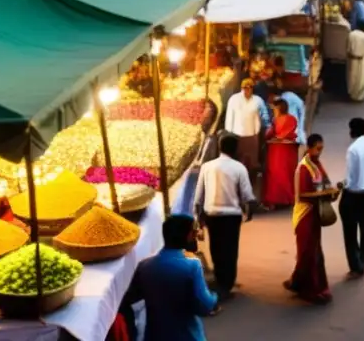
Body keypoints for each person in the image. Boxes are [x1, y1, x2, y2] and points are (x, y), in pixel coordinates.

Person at [128, 215, 218, 340]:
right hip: (186, 335)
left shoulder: (144, 266)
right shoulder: (192, 265)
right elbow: (204, 305)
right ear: (187, 236)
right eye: (193, 232)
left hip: (155, 335)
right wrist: (214, 298)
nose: (195, 235)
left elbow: (133, 298)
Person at [193, 134, 254, 300]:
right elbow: (247, 194)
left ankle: (220, 281)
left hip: (212, 214)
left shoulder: (207, 166)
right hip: (231, 216)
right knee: (230, 249)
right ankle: (227, 284)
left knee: (216, 247)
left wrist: (198, 215)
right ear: (234, 149)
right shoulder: (239, 167)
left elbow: (199, 194)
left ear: (220, 147)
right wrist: (249, 210)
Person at [285, 134, 335, 304]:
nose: (320, 152)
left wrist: (332, 191)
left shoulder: (317, 164)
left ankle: (301, 283)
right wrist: (323, 193)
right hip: (304, 214)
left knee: (314, 251)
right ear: (309, 147)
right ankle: (309, 289)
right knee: (307, 252)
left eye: (321, 149)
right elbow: (302, 194)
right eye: (318, 148)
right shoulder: (304, 167)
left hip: (314, 213)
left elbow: (326, 183)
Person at [339, 117, 364, 277]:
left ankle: (356, 264)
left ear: (352, 131)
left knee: (349, 230)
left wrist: (342, 185)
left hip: (353, 193)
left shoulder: (353, 150)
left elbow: (350, 176)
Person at [223, 79, 267, 184]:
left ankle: (250, 182)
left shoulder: (257, 100)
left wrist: (257, 132)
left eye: (250, 87)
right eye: (245, 88)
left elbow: (258, 117)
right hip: (237, 135)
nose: (247, 90)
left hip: (252, 136)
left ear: (253, 89)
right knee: (238, 160)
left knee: (252, 163)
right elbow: (229, 117)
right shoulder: (234, 99)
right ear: (241, 88)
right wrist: (229, 132)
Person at [263, 100, 299, 209]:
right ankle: (289, 199)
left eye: (275, 108)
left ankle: (275, 200)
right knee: (287, 174)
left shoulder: (277, 120)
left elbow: (269, 134)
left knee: (275, 174)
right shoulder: (291, 119)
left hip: (277, 150)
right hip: (287, 150)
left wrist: (274, 137)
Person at [346, 20, 364, 102]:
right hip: (363, 58)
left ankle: (352, 95)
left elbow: (347, 48)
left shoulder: (351, 34)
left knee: (352, 77)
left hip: (352, 58)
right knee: (362, 78)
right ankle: (359, 96)